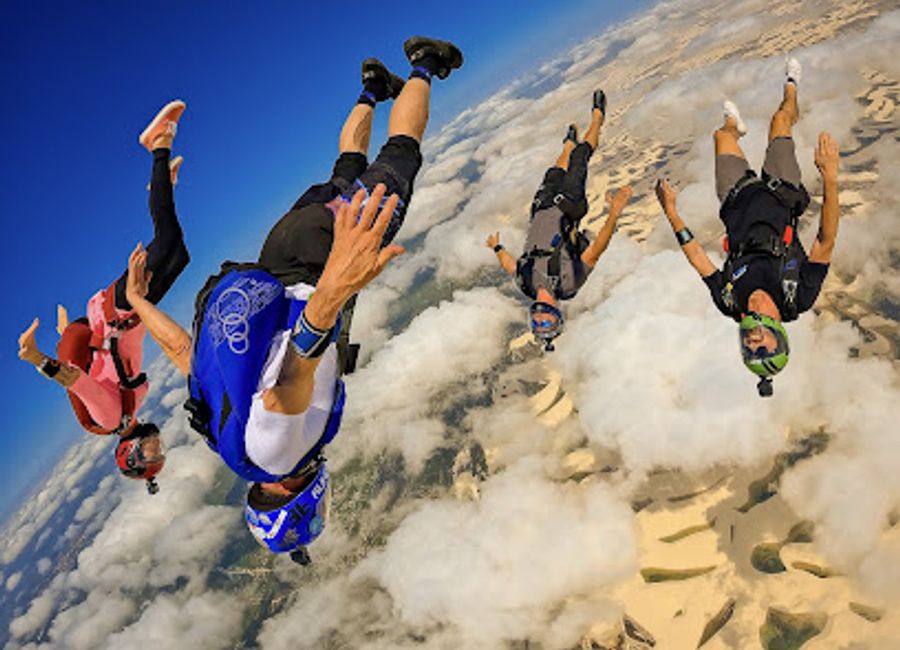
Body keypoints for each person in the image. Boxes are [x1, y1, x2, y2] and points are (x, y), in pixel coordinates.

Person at [126, 38, 463, 563]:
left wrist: (338, 282)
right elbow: (185, 354)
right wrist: (137, 301)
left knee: (401, 157)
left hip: (318, 262)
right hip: (276, 252)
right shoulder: (226, 440)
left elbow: (290, 384)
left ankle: (426, 63)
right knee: (344, 170)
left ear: (295, 506)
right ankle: (372, 88)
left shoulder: (280, 456)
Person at [16, 101, 190, 493]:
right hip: (130, 314)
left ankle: (157, 147)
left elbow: (76, 380)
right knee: (177, 254)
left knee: (167, 245)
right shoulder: (131, 410)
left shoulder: (111, 417)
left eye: (149, 451)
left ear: (128, 453)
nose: (155, 444)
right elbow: (105, 366)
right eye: (159, 450)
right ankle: (161, 186)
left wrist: (36, 358)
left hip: (115, 314)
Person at [655, 58, 840, 396]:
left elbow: (698, 259)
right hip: (780, 192)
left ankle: (734, 126)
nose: (755, 344)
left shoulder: (731, 302)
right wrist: (830, 177)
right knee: (780, 119)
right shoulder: (797, 296)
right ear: (779, 338)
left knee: (721, 135)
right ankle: (791, 83)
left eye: (750, 353)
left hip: (736, 200)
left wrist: (672, 214)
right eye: (765, 349)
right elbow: (824, 243)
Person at [486, 90, 633, 351]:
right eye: (547, 322)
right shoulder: (569, 283)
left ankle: (567, 143)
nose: (540, 319)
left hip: (541, 209)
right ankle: (597, 118)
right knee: (579, 159)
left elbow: (510, 265)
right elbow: (597, 249)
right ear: (557, 314)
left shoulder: (526, 284)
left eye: (537, 324)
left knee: (555, 170)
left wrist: (496, 247)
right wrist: (615, 213)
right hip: (568, 209)